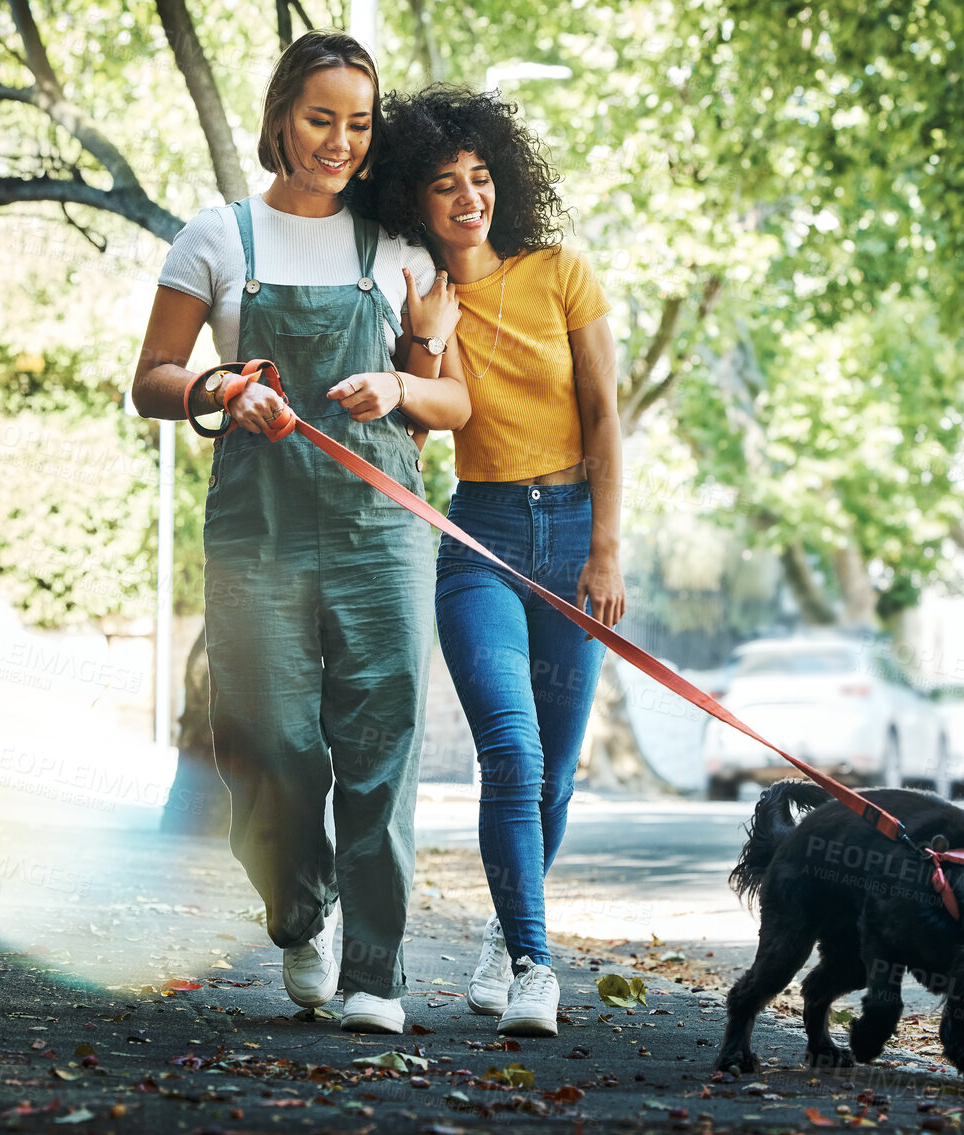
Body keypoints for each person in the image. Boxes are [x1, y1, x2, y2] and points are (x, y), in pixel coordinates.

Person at [129, 32, 469, 1036]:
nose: (339, 142)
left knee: (381, 746)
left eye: (359, 124)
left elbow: (451, 399)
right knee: (267, 739)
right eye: (321, 119)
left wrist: (401, 382)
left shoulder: (401, 243)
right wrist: (223, 385)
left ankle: (377, 971)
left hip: (380, 531)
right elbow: (150, 376)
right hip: (258, 528)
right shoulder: (218, 236)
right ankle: (299, 906)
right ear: (282, 114)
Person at [371, 87, 625, 1037]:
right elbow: (439, 418)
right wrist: (426, 334)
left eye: (480, 178)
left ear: (502, 185)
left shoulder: (561, 271)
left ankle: (501, 934)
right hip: (480, 539)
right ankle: (533, 962)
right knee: (510, 754)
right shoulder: (425, 297)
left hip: (571, 537)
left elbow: (602, 414)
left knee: (554, 775)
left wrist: (604, 548)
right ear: (416, 201)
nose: (467, 197)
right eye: (444, 185)